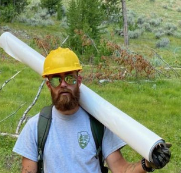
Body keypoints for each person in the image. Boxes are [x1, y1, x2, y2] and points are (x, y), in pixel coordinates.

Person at [13, 47, 165, 173]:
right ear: (48, 85)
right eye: (56, 79)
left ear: (79, 81)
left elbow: (122, 170)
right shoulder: (35, 127)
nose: (63, 84)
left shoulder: (98, 124)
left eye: (69, 78)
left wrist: (148, 164)